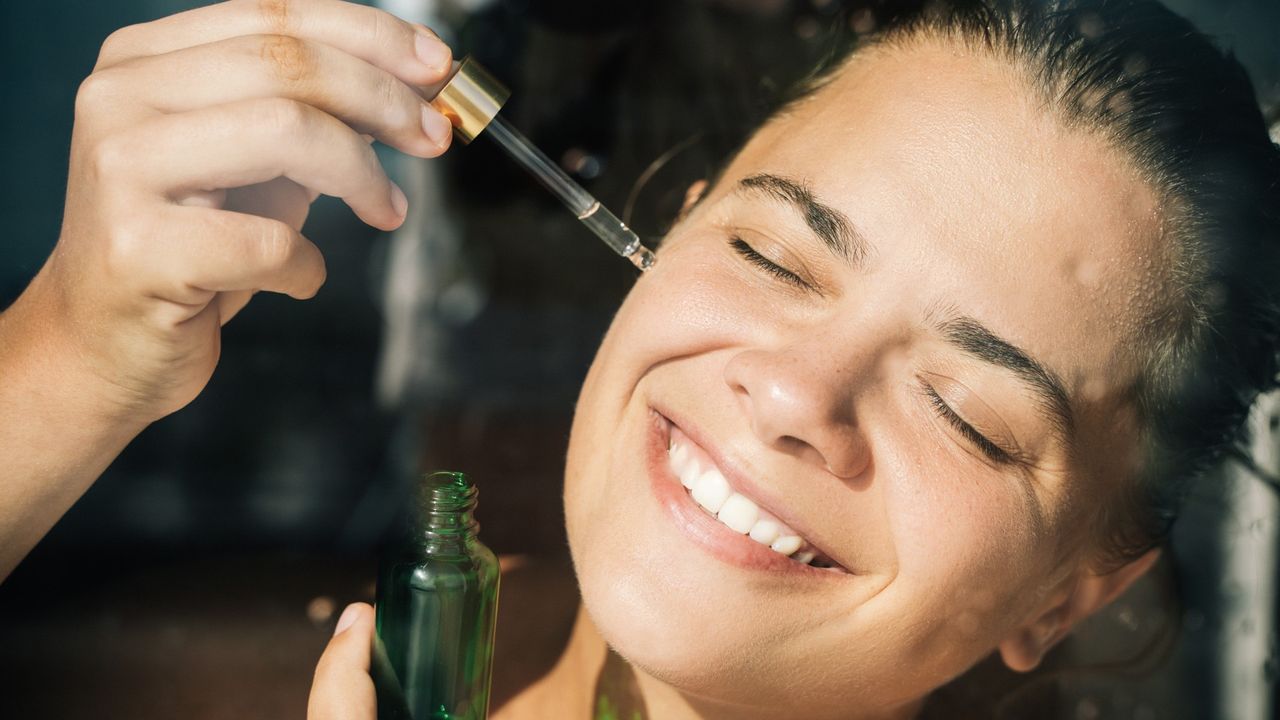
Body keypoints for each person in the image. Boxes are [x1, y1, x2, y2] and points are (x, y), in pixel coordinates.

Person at [1, 0, 1277, 718]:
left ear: (1069, 596)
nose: (790, 393)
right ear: (673, 222)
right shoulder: (244, 668)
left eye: (965, 410)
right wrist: (66, 358)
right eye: (775, 257)